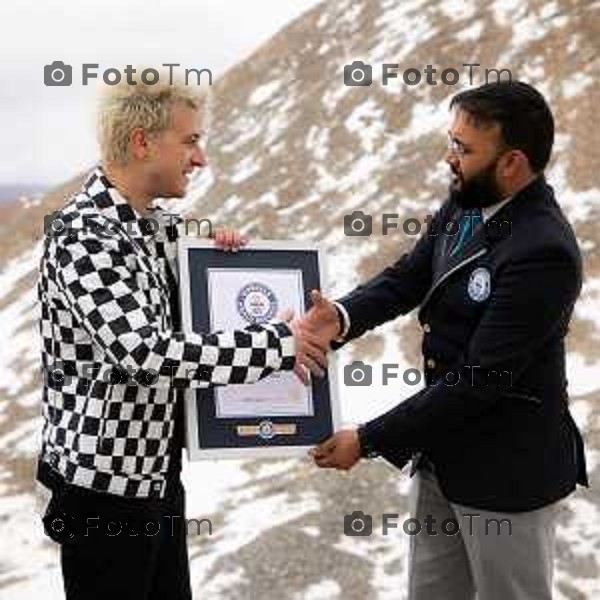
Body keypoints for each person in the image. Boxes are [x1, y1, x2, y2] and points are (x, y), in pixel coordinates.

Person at [36, 70, 328, 599]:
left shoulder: (158, 226)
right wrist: (280, 345)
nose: (201, 158)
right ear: (142, 141)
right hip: (106, 493)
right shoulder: (86, 234)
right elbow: (145, 352)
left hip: (156, 480)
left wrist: (220, 260)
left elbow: (199, 319)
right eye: (190, 141)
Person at [303, 81, 588, 600]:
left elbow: (477, 381)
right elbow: (411, 276)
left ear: (512, 163)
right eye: (451, 141)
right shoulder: (466, 200)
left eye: (463, 148)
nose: (449, 158)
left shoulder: (543, 252)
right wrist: (340, 318)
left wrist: (367, 441)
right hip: (443, 459)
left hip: (507, 477)